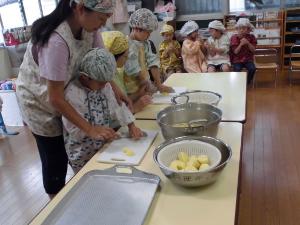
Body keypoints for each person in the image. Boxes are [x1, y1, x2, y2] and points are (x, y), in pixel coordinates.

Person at [15, 0, 124, 196]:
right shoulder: (55, 41)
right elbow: (55, 98)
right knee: (55, 160)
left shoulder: (90, 29)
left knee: (76, 145)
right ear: (81, 9)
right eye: (101, 18)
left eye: (106, 18)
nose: (103, 24)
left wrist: (116, 89)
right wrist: (89, 128)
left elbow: (101, 65)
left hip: (66, 93)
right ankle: (54, 205)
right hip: (41, 104)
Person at [63, 48, 143, 172]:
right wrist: (93, 130)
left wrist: (131, 125)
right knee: (86, 178)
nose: (105, 85)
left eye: (106, 82)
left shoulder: (104, 86)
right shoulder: (72, 94)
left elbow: (118, 106)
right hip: (82, 152)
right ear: (85, 77)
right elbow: (73, 129)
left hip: (103, 147)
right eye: (101, 83)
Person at [124, 8, 173, 99]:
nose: (149, 36)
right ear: (137, 29)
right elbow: (133, 69)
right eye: (148, 33)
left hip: (144, 84)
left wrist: (159, 84)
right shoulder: (127, 45)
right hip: (132, 88)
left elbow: (153, 62)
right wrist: (146, 83)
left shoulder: (145, 43)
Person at [102, 31, 152, 113]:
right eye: (125, 56)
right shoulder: (104, 82)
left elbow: (123, 99)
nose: (127, 60)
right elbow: (111, 117)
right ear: (113, 57)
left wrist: (139, 93)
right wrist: (135, 108)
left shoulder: (117, 71)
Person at [230, 18, 257, 85]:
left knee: (252, 68)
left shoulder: (252, 37)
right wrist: (241, 44)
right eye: (239, 28)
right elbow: (235, 52)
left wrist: (248, 43)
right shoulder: (234, 37)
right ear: (237, 29)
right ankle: (238, 83)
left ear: (248, 29)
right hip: (237, 60)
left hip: (248, 59)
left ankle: (247, 82)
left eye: (244, 28)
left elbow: (253, 50)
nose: (241, 30)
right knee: (237, 69)